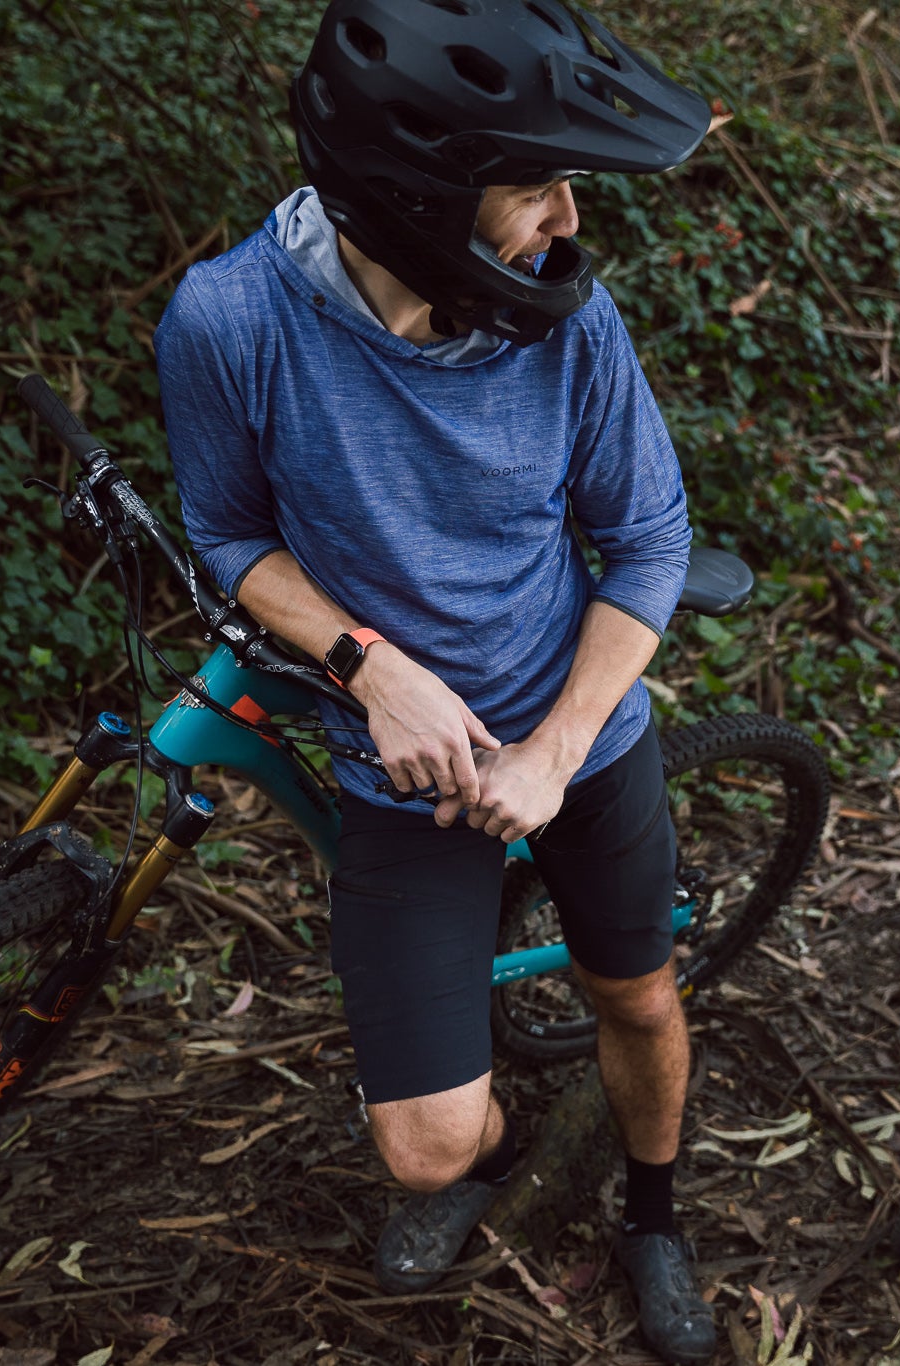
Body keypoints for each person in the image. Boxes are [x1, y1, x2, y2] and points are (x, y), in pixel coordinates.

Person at [154, 2, 716, 1359]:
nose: (567, 219)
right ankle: (490, 1153)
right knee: (423, 1148)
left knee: (635, 995)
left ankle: (654, 1210)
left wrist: (554, 751)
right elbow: (227, 534)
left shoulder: (569, 326)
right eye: (533, 186)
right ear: (413, 198)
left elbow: (649, 541)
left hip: (575, 734)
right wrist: (369, 666)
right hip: (394, 769)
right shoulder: (232, 320)